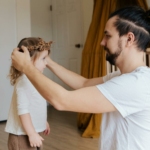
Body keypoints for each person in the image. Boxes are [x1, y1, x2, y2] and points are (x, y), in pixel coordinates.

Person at [11, 6, 150, 150]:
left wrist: (26, 67)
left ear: (129, 38)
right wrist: (47, 61)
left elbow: (62, 101)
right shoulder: (123, 77)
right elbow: (84, 83)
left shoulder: (135, 84)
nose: (102, 42)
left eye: (108, 36)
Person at [5, 37, 52, 150]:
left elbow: (36, 104)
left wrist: (42, 121)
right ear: (28, 60)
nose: (46, 63)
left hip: (33, 131)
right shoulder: (24, 82)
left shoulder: (35, 79)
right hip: (22, 134)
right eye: (43, 58)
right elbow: (23, 110)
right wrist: (31, 134)